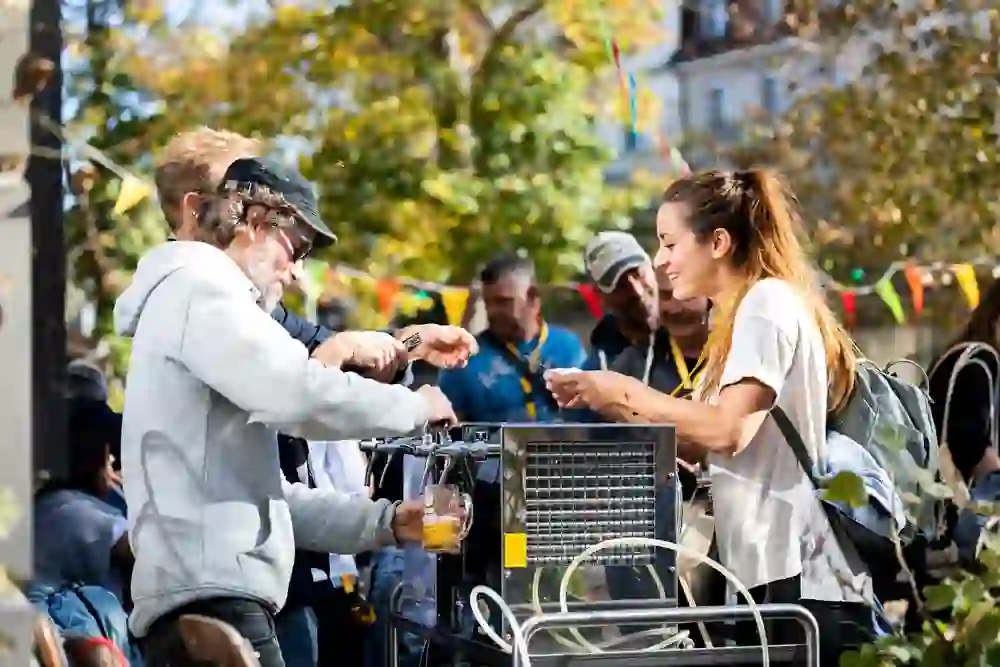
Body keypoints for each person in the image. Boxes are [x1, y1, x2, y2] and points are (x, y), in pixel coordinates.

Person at [114, 156, 465, 667]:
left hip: (211, 595)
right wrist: (414, 406)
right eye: (296, 248)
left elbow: (272, 499)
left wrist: (388, 522)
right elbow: (297, 393)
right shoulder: (199, 288)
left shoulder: (201, 301)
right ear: (256, 220)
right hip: (215, 601)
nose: (299, 272)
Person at [545, 168, 878, 664]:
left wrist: (628, 390)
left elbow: (728, 430)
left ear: (718, 242)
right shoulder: (742, 313)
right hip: (765, 575)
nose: (660, 261)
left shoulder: (765, 303)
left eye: (669, 243)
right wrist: (608, 399)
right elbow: (702, 440)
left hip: (803, 578)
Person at [439, 255, 587, 423]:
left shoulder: (568, 347)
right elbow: (448, 430)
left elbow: (591, 416)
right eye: (488, 303)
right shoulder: (465, 357)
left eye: (503, 302)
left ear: (533, 298)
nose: (493, 311)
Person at [928, 278, 1000, 563]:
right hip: (956, 523)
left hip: (935, 517)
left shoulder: (960, 356)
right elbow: (971, 445)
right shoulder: (978, 364)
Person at [581, 231, 659, 372]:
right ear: (599, 295)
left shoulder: (695, 330)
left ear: (653, 268)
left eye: (638, 273)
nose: (637, 291)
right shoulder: (598, 372)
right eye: (621, 284)